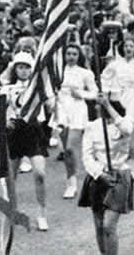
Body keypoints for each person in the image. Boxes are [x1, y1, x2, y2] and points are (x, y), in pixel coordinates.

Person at [78, 93, 134, 255]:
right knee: (99, 224)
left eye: (99, 105)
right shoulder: (92, 126)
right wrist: (99, 173)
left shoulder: (125, 121)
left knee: (109, 226)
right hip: (98, 177)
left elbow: (127, 129)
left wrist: (108, 105)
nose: (96, 108)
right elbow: (86, 155)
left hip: (119, 177)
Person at [3, 52, 49, 231]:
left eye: (27, 67)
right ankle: (12, 211)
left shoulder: (38, 87)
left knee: (40, 173)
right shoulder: (8, 88)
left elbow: (47, 107)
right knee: (11, 176)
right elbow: (1, 107)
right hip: (15, 132)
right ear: (15, 69)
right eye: (20, 67)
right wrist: (5, 121)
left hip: (33, 130)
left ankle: (42, 214)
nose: (23, 71)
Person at [53, 44, 98, 199]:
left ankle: (74, 183)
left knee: (71, 148)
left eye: (74, 54)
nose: (71, 56)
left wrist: (81, 94)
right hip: (61, 109)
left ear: (79, 56)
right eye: (68, 53)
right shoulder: (58, 71)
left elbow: (95, 93)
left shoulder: (85, 73)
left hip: (77, 110)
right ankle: (70, 180)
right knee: (65, 150)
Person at [101, 38, 134, 180]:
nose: (128, 48)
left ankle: (132, 168)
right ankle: (115, 165)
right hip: (116, 100)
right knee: (115, 135)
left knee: (127, 134)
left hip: (132, 101)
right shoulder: (114, 65)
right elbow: (104, 79)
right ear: (122, 48)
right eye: (126, 46)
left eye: (131, 46)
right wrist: (105, 96)